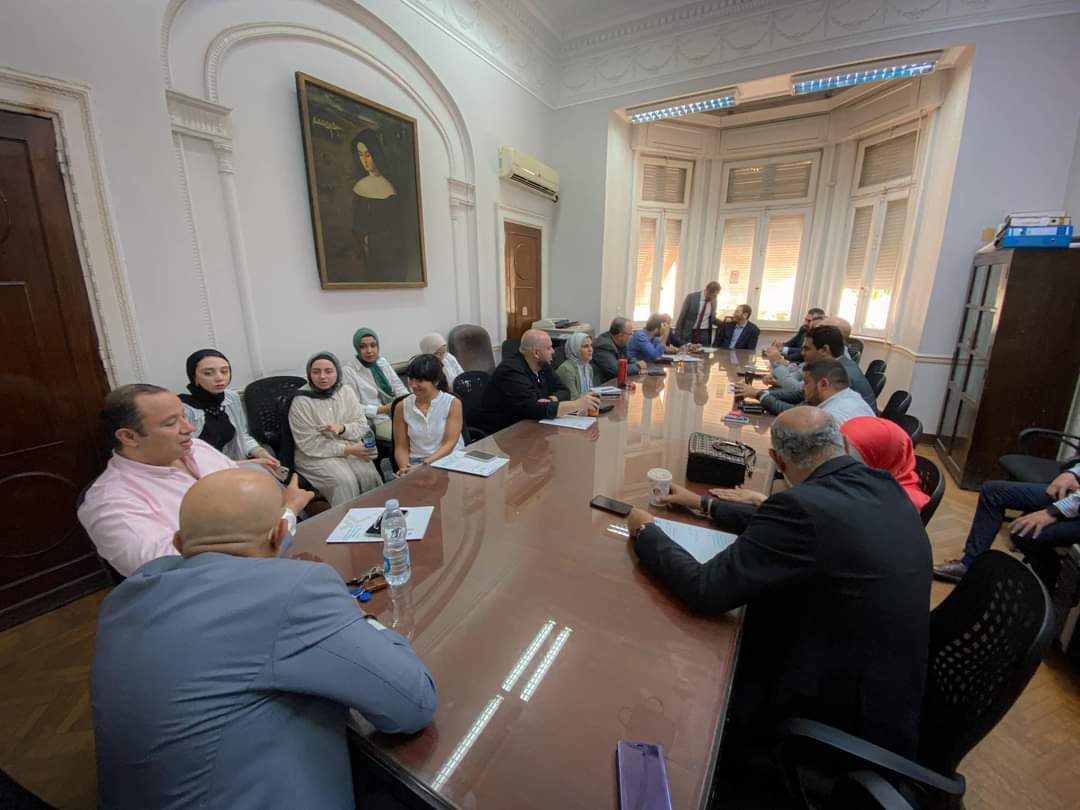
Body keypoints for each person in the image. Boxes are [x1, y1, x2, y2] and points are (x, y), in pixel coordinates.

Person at [92, 468, 436, 810]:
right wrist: (362, 619)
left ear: (179, 543)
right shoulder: (296, 590)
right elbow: (413, 704)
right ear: (280, 533)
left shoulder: (125, 596)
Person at [626, 407, 931, 765]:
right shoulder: (883, 485)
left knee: (699, 665)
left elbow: (704, 590)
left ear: (777, 460)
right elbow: (791, 524)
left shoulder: (802, 508)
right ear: (844, 445)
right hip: (890, 695)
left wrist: (646, 532)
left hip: (833, 721)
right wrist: (704, 504)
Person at [78, 384, 307, 577]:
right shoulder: (110, 503)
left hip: (271, 563)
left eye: (184, 417)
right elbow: (171, 572)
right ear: (129, 436)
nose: (189, 428)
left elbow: (248, 507)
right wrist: (288, 512)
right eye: (171, 423)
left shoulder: (197, 448)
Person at [933, 465, 1080, 583]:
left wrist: (1053, 512)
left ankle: (1050, 590)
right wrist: (1072, 473)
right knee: (993, 491)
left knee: (1023, 532)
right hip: (1074, 497)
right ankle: (969, 564)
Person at [289, 352, 382, 506]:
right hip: (314, 454)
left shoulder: (345, 391)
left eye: (329, 371)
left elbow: (361, 425)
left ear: (337, 372)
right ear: (309, 374)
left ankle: (376, 515)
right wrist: (347, 450)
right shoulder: (301, 401)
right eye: (316, 372)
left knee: (368, 475)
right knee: (344, 480)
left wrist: (343, 428)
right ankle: (345, 519)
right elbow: (308, 443)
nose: (323, 377)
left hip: (350, 445)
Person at [474, 329, 600, 434]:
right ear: (536, 353)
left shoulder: (543, 365)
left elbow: (564, 390)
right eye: (549, 348)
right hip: (501, 434)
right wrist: (578, 404)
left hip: (529, 426)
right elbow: (533, 408)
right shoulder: (511, 371)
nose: (553, 351)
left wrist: (551, 400)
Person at [739, 325, 876, 413]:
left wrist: (760, 395)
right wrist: (760, 393)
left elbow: (799, 411)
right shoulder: (832, 365)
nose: (802, 353)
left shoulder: (839, 374)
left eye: (807, 349)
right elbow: (801, 394)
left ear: (824, 350)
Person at [179, 349, 279, 468]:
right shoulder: (184, 409)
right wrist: (245, 463)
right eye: (208, 373)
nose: (219, 378)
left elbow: (243, 437)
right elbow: (188, 458)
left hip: (233, 465)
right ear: (194, 377)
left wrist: (260, 452)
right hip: (202, 471)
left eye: (224, 371)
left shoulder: (231, 398)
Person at [350, 130, 411, 284]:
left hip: (389, 257)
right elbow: (357, 224)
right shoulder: (360, 186)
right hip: (369, 256)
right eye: (360, 155)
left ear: (375, 154)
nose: (364, 160)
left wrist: (373, 241)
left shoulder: (390, 186)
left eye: (368, 155)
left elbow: (397, 231)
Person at [392, 353, 464, 476]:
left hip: (448, 459)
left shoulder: (452, 403)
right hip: (415, 463)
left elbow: (449, 443)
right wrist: (405, 470)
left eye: (420, 381)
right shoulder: (401, 406)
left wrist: (424, 465)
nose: (413, 385)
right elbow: (401, 446)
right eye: (411, 379)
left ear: (436, 381)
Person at [841, 416, 929, 512]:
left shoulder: (901, 505)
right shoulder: (894, 470)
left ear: (883, 458)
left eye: (850, 457)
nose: (840, 461)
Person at [342, 328, 408, 441]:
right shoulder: (349, 371)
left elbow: (399, 388)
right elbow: (353, 407)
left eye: (373, 345)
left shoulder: (382, 362)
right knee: (405, 437)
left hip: (398, 410)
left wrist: (407, 401)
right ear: (357, 348)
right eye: (363, 347)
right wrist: (382, 409)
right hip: (378, 419)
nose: (369, 350)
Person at [801, 359, 876, 425]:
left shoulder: (827, 419)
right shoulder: (854, 397)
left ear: (823, 384)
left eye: (806, 382)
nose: (803, 387)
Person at [591, 316, 641, 381]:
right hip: (603, 384)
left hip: (614, 381)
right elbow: (617, 370)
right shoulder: (603, 345)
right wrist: (638, 366)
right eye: (630, 334)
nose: (631, 337)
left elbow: (629, 358)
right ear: (620, 335)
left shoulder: (621, 343)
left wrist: (636, 362)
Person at [674, 281, 721, 345]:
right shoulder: (691, 297)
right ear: (707, 291)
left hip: (704, 333)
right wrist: (677, 334)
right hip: (690, 332)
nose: (715, 297)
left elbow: (713, 318)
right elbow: (682, 316)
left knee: (704, 350)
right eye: (714, 295)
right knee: (688, 349)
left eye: (716, 295)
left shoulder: (714, 301)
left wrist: (725, 323)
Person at [554, 333, 595, 398]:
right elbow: (573, 398)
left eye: (591, 345)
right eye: (585, 346)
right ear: (575, 349)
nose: (590, 349)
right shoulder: (566, 370)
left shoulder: (588, 367)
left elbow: (590, 392)